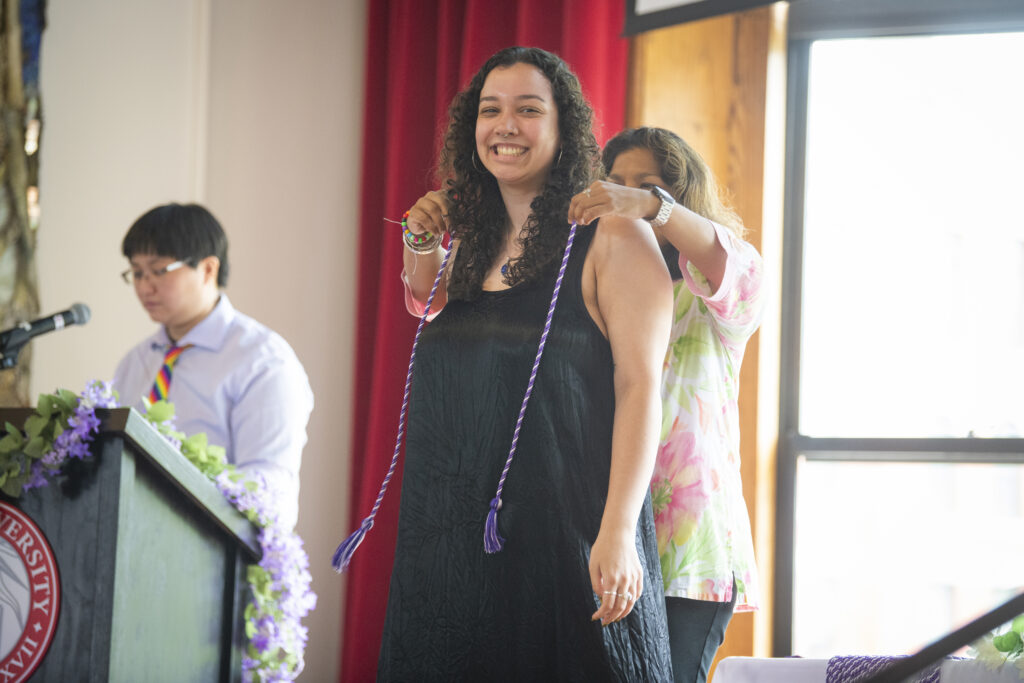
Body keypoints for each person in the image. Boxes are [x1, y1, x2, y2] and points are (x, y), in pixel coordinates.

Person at [382, 47, 674, 680]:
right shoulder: (472, 244)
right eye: (490, 110)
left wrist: (618, 530)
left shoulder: (614, 234)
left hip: (566, 538)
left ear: (564, 129)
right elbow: (425, 304)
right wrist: (420, 237)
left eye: (528, 110)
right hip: (453, 544)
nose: (505, 126)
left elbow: (641, 385)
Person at [570, 127, 764, 683]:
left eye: (647, 184)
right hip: (604, 530)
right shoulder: (597, 276)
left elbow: (728, 258)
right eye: (616, 183)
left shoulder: (723, 281)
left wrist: (649, 206)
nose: (624, 196)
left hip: (690, 545)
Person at [112, 203, 313, 530]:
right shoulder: (135, 362)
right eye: (136, 273)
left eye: (159, 270)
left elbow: (269, 487)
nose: (144, 287)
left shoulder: (263, 362)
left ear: (208, 269)